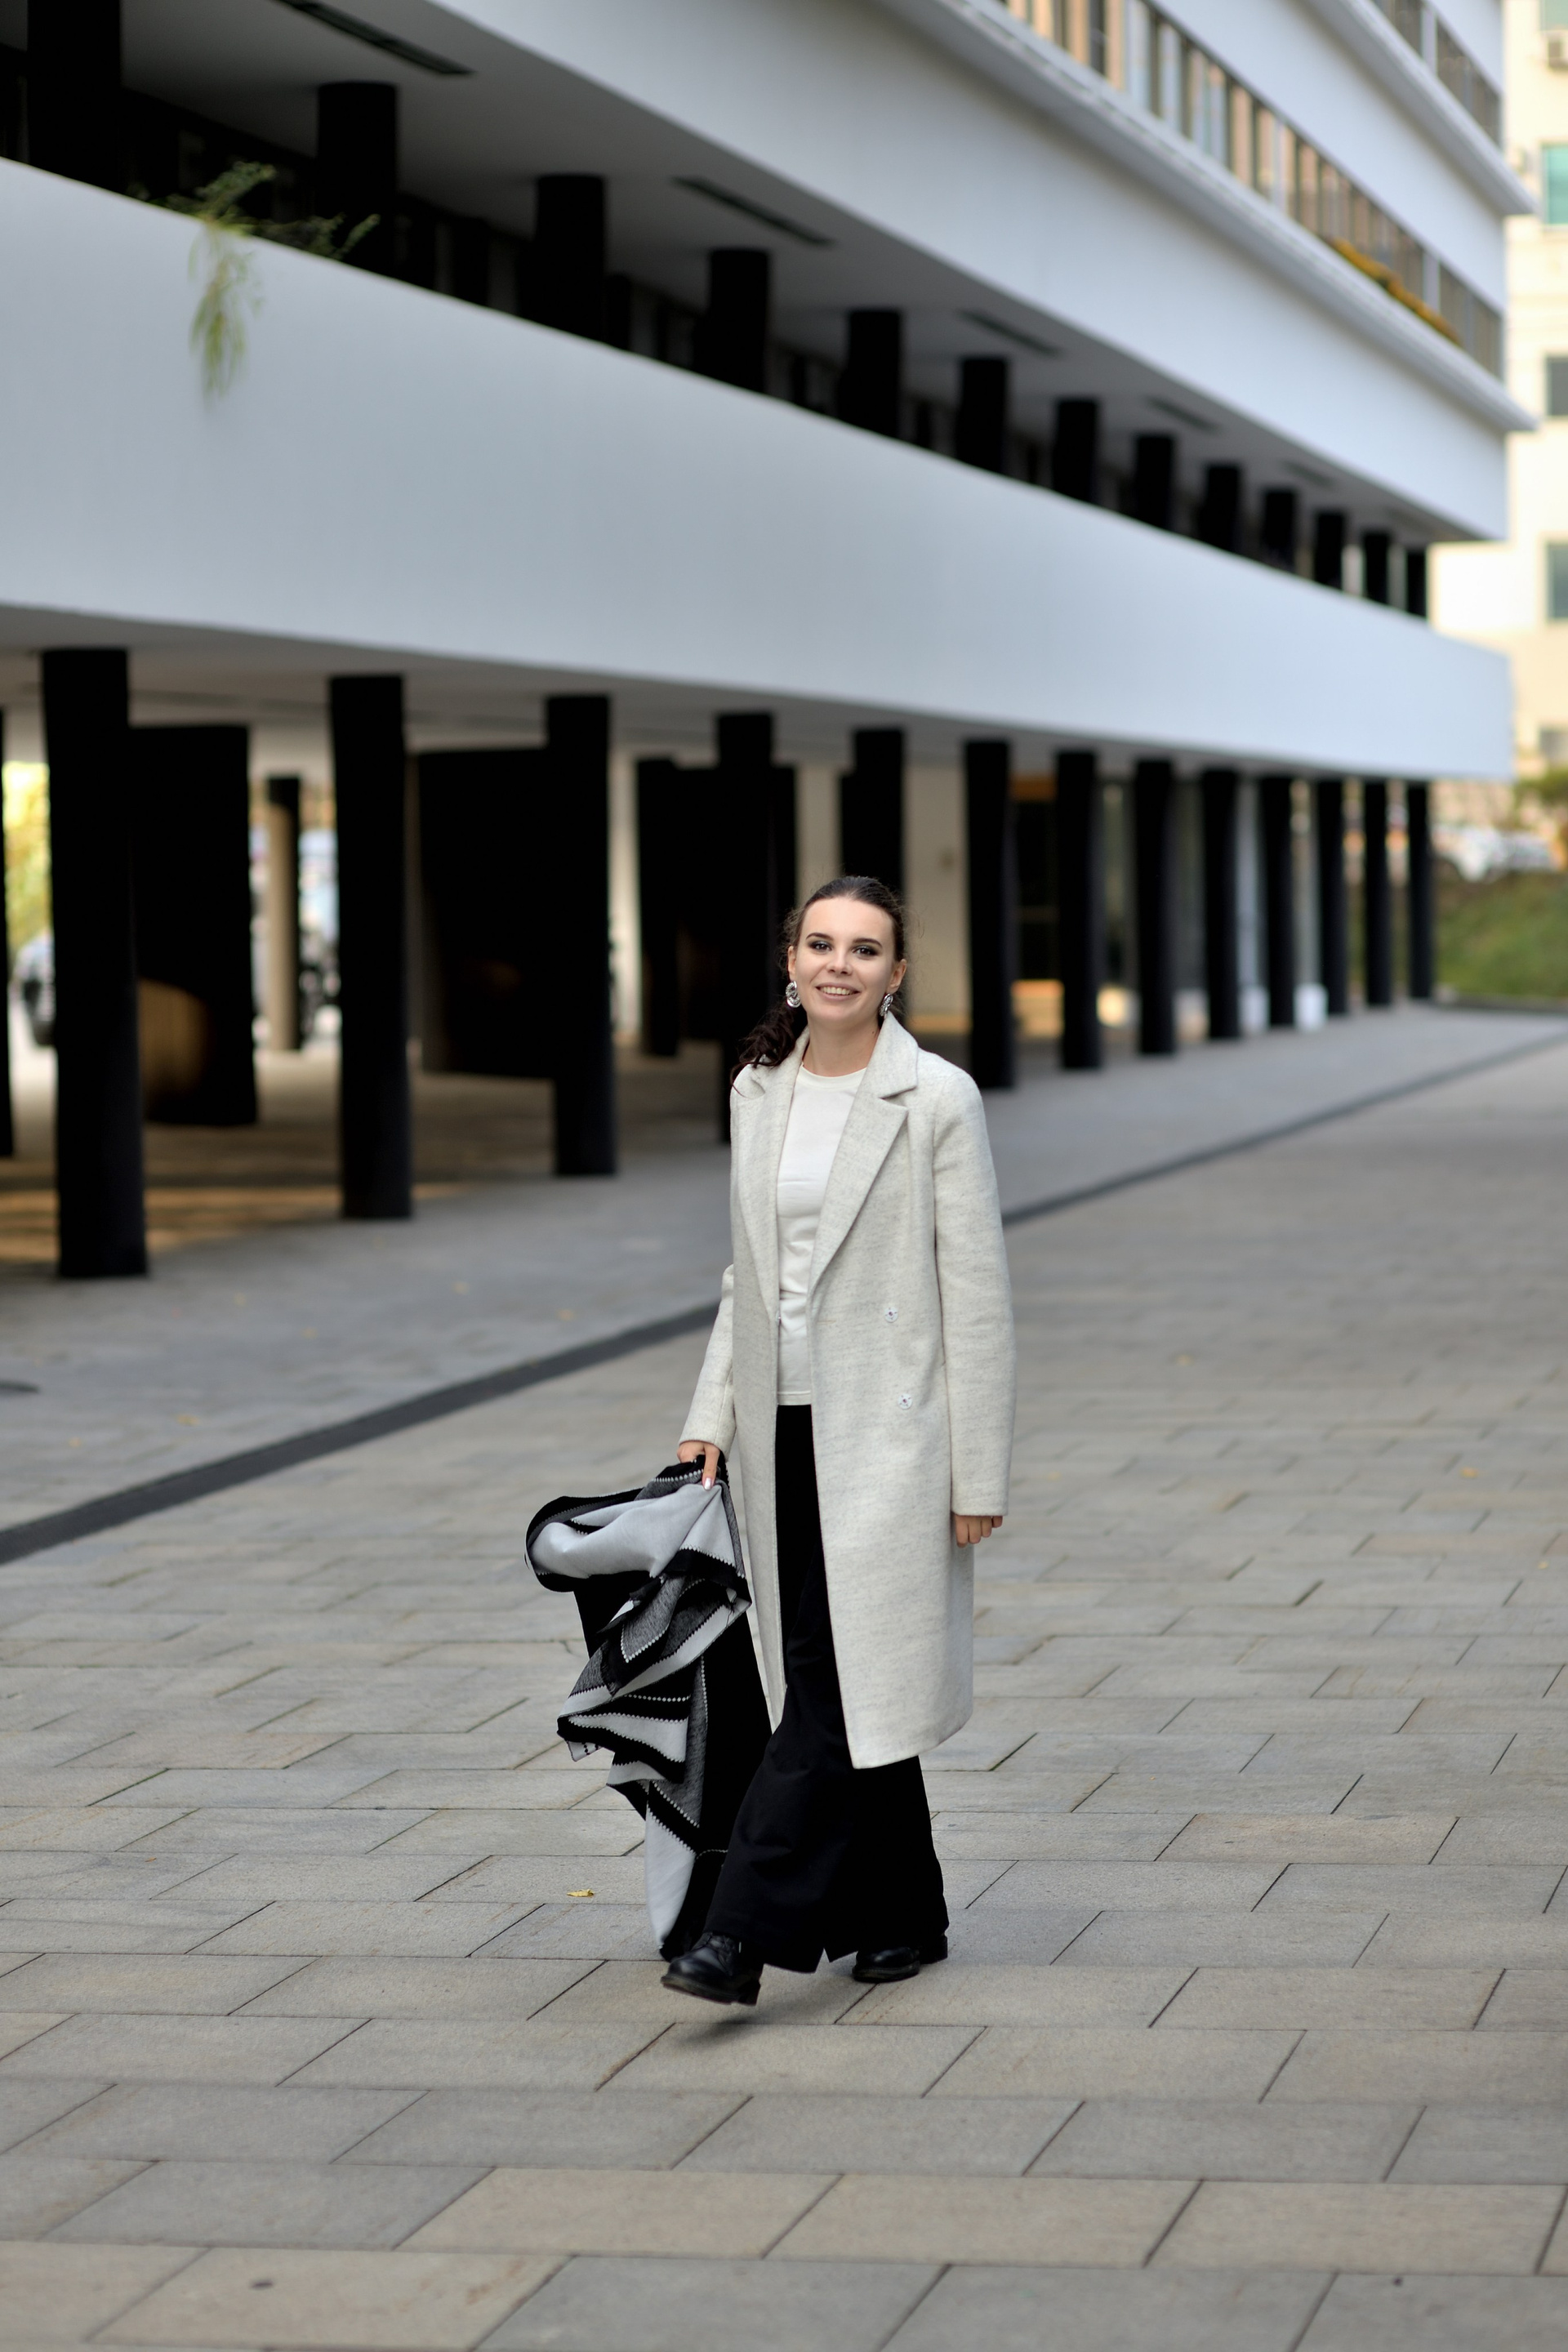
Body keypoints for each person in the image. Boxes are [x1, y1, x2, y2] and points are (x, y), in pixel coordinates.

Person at [662, 875, 1015, 2005]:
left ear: (896, 974)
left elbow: (977, 1293)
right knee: (846, 1667)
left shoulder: (936, 1098)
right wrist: (711, 1415)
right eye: (821, 944)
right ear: (791, 961)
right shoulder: (758, 1089)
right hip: (782, 1427)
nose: (839, 965)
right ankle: (901, 1910)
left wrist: (978, 1471)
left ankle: (738, 1932)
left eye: (865, 950)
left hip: (893, 1439)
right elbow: (749, 1277)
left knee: (823, 1682)